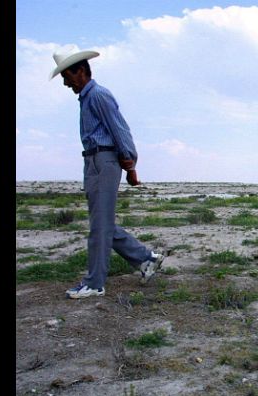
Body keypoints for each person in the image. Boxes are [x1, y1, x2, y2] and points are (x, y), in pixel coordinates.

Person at [50, 49, 164, 299]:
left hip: (104, 160)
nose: (66, 83)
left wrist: (131, 166)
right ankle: (146, 258)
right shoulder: (86, 98)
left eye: (67, 77)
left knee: (99, 227)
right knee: (102, 224)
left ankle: (95, 283)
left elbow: (120, 130)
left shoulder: (98, 95)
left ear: (81, 71)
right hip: (93, 160)